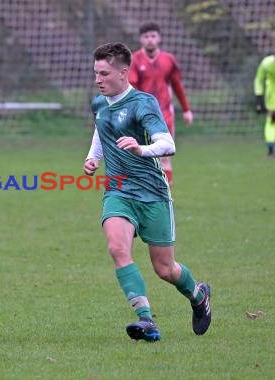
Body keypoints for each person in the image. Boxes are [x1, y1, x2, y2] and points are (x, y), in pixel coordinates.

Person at [83, 42, 211, 341]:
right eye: (95, 73)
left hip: (153, 193)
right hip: (118, 191)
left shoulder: (144, 103)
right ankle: (146, 320)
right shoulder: (99, 103)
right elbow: (100, 130)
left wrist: (141, 149)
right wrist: (93, 157)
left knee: (165, 269)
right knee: (117, 249)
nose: (98, 79)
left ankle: (198, 296)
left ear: (123, 73)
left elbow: (168, 144)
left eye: (103, 73)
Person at [129, 22, 193, 186]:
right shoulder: (135, 60)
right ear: (141, 39)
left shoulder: (168, 60)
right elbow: (132, 87)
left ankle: (166, 192)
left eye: (153, 36)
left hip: (164, 113)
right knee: (142, 154)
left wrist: (186, 110)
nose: (150, 40)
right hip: (142, 114)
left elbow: (177, 85)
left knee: (164, 154)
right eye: (146, 36)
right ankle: (145, 189)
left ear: (159, 38)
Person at [254, 53, 275, 157]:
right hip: (271, 95)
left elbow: (258, 79)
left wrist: (259, 99)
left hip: (270, 96)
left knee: (271, 122)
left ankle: (271, 150)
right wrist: (259, 100)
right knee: (271, 120)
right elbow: (258, 79)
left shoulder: (267, 63)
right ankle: (271, 149)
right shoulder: (267, 63)